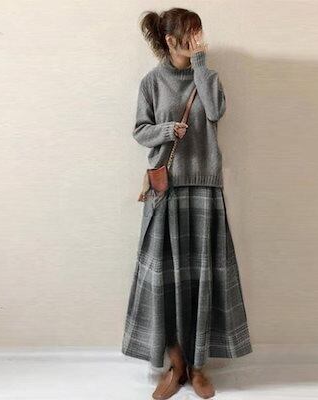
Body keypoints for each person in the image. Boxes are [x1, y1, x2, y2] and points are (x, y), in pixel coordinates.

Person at [121, 7, 253, 400]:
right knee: (164, 280)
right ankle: (175, 365)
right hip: (166, 190)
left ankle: (198, 368)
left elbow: (215, 111)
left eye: (199, 31)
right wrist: (167, 129)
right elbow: (140, 131)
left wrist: (200, 65)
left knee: (202, 279)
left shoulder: (207, 75)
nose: (198, 39)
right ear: (170, 39)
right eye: (190, 33)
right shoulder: (151, 82)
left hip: (205, 188)